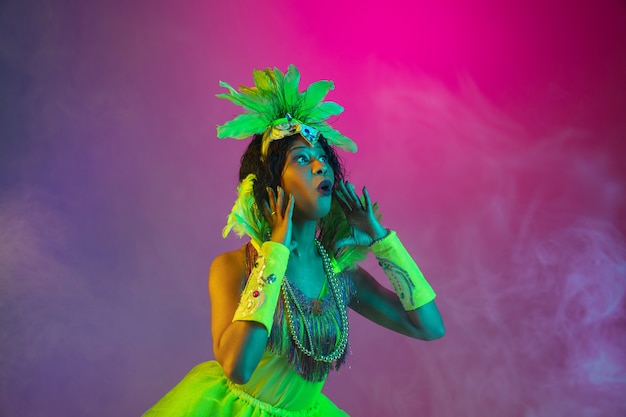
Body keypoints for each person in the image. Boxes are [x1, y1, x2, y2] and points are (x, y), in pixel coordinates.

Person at [143, 64, 444, 416]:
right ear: (273, 184)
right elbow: (237, 368)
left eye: (322, 159)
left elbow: (429, 327)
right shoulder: (233, 267)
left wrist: (382, 241)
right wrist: (275, 251)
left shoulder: (339, 277)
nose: (320, 167)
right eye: (302, 159)